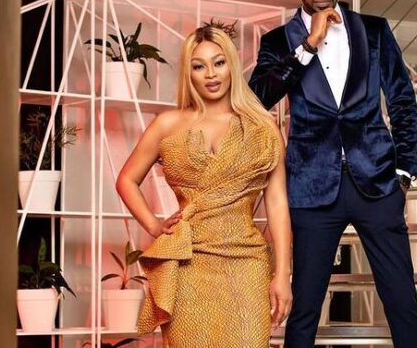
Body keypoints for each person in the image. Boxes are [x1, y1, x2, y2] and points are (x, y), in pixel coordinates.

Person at [249, 0, 417, 348]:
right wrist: (308, 45)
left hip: (377, 184)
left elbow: (402, 99)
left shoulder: (374, 30)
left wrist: (404, 172)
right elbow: (258, 98)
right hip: (312, 190)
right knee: (305, 308)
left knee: (402, 301)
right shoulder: (278, 41)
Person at [116, 25, 293, 347]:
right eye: (199, 66)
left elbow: (278, 203)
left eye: (219, 62)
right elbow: (126, 180)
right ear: (189, 72)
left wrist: (282, 273)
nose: (211, 74)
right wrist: (154, 226)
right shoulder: (168, 124)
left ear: (231, 66)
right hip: (188, 262)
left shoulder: (263, 126)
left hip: (247, 263)